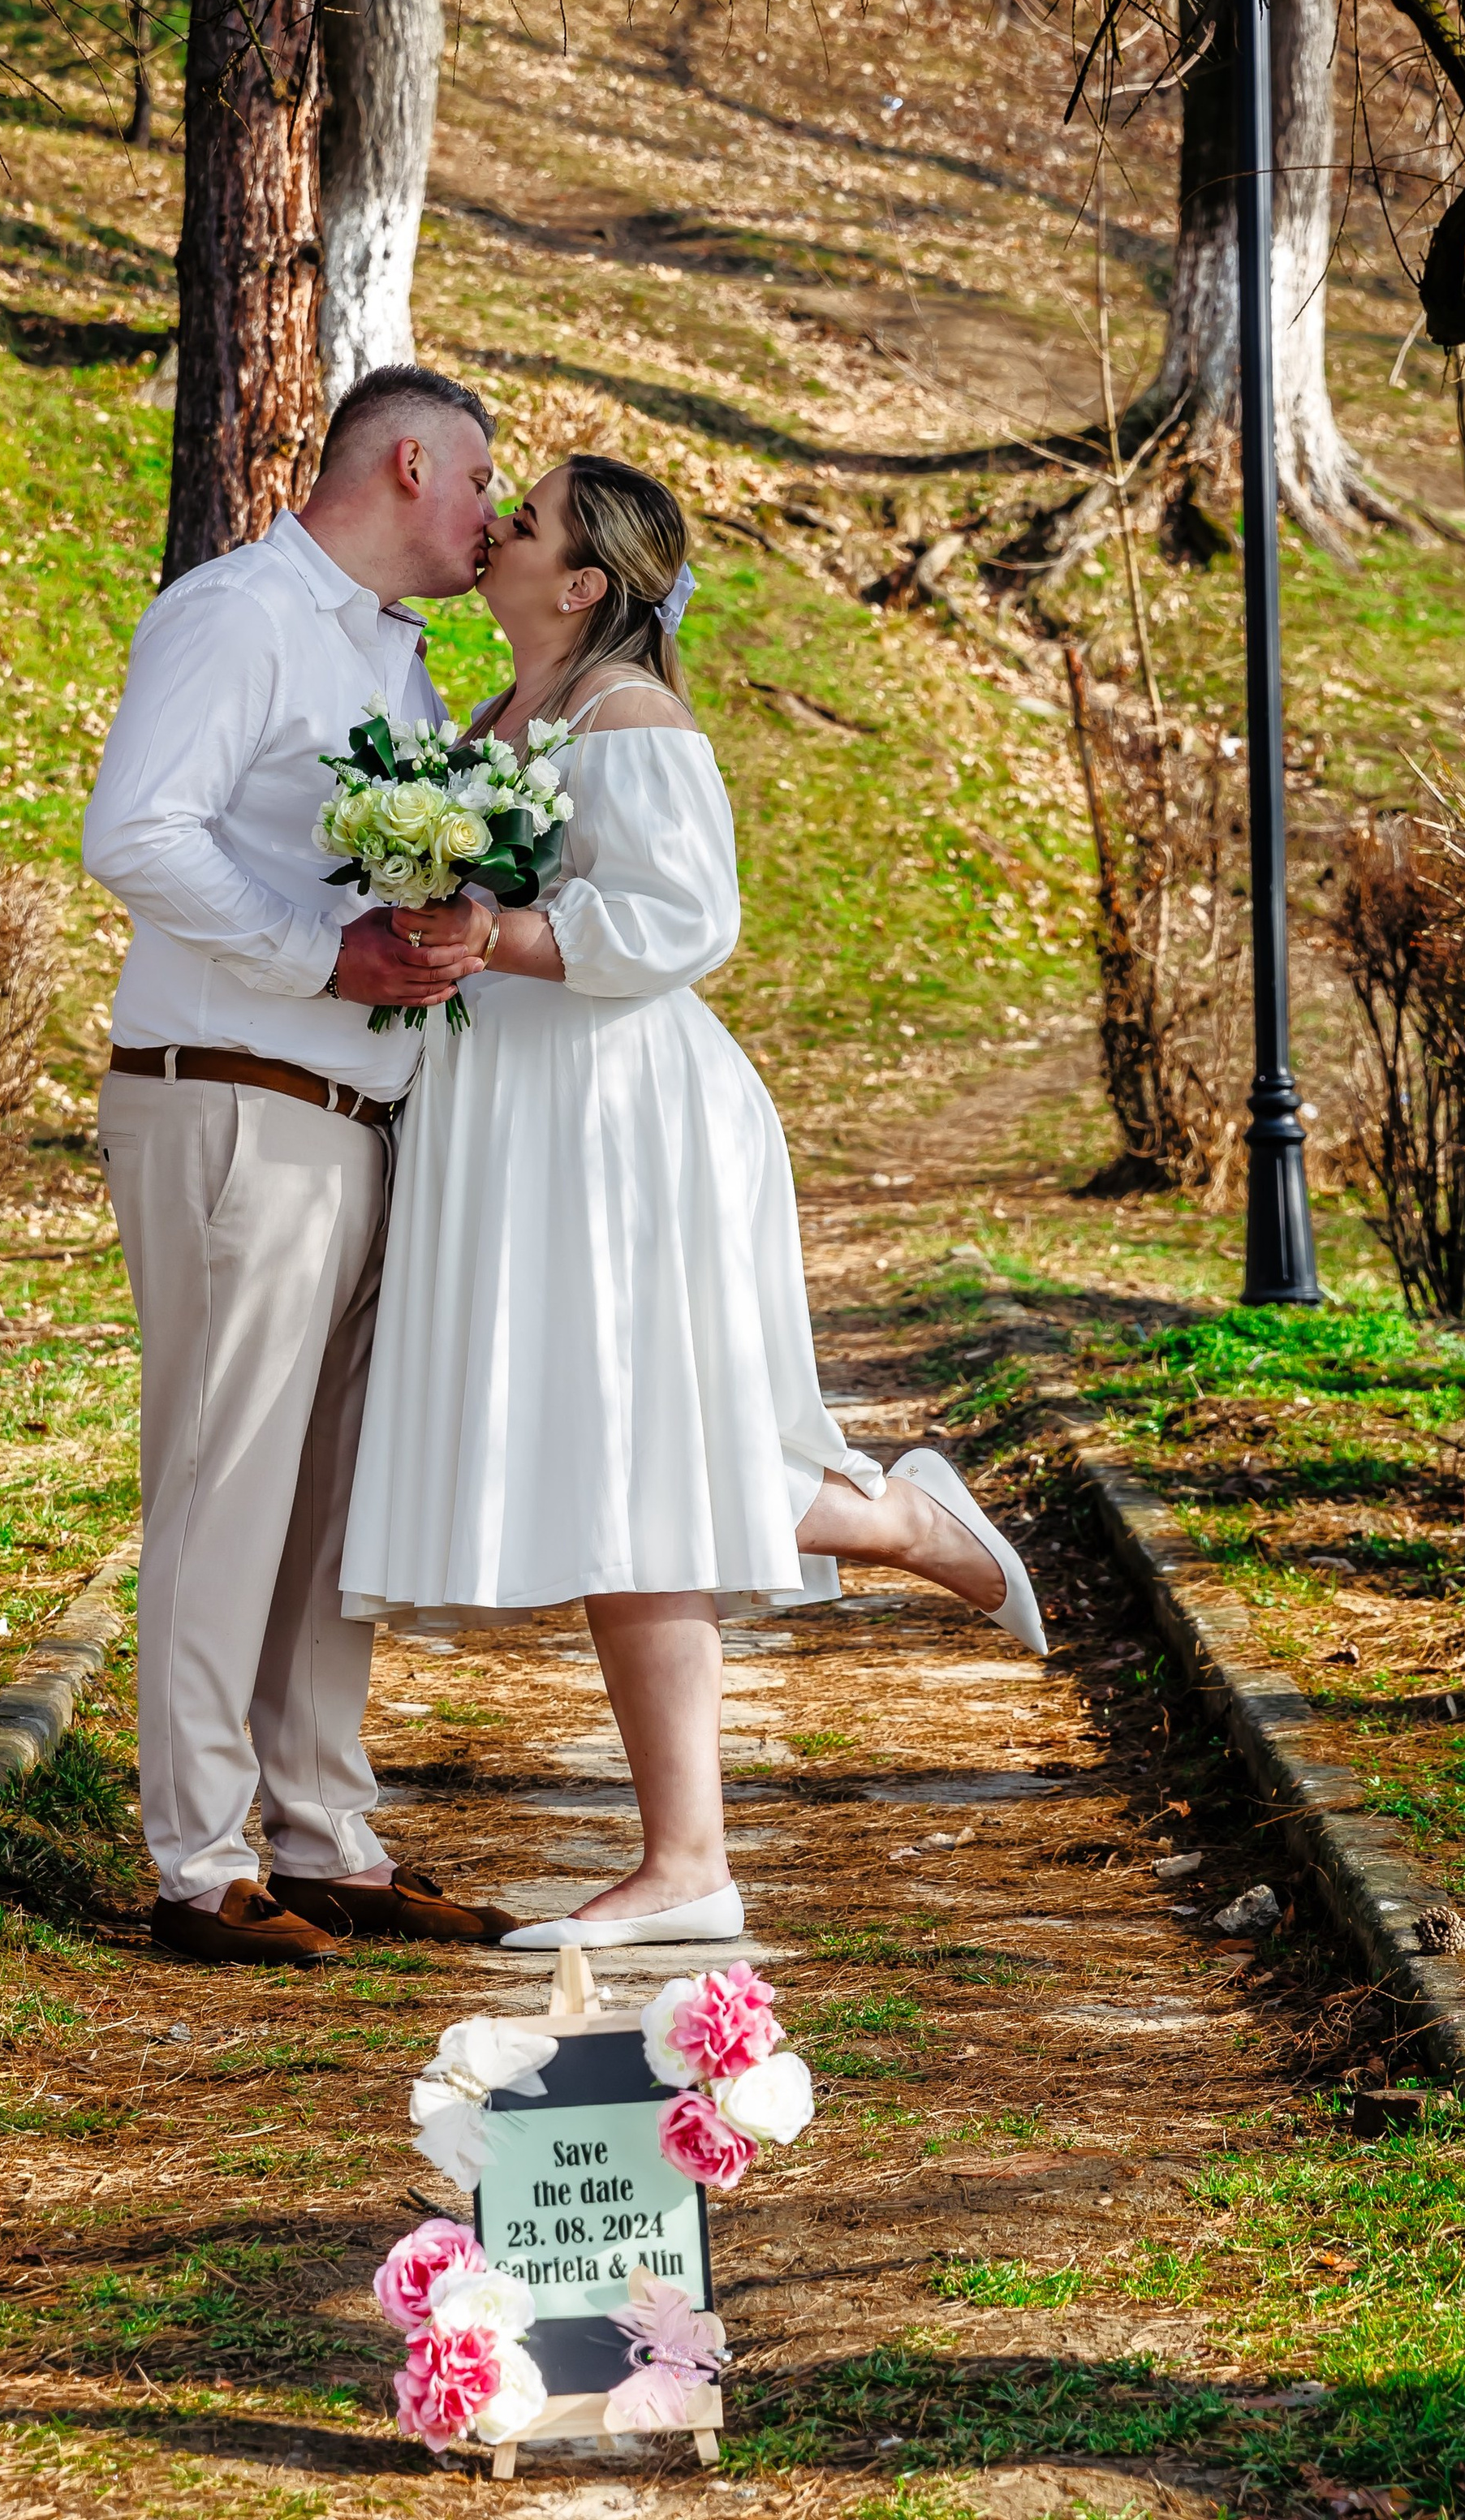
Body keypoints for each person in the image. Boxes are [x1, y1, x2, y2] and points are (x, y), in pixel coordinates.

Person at [339, 450, 1046, 1949]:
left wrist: (492, 932)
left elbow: (685, 918)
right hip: (521, 1115)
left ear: (583, 583)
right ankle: (900, 1524)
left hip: (622, 1120)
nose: (497, 528)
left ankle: (689, 1860)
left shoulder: (631, 716)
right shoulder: (499, 713)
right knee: (610, 1449)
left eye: (526, 519)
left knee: (639, 1456)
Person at [83, 364, 519, 1967]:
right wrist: (315, 955)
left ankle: (326, 1838)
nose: (493, 517)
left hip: (360, 1121)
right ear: (407, 463)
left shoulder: (398, 666)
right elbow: (136, 831)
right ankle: (198, 1864)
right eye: (482, 482)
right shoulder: (238, 614)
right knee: (226, 1484)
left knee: (331, 1505)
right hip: (234, 1103)